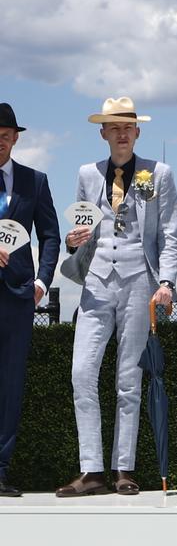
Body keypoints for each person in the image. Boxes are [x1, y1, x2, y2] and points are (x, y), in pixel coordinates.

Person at [56, 97, 177, 497]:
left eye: (128, 127)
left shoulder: (158, 173)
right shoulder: (87, 174)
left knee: (129, 379)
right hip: (95, 282)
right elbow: (81, 230)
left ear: (137, 132)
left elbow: (170, 233)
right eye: (115, 127)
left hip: (138, 281)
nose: (122, 134)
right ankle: (91, 469)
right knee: (81, 373)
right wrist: (74, 241)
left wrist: (168, 282)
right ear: (103, 133)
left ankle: (123, 468)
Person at [0, 104, 60, 497]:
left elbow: (51, 235)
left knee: (10, 386)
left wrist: (41, 281)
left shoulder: (34, 181)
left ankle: (0, 470)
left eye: (5, 134)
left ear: (16, 137)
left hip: (17, 297)